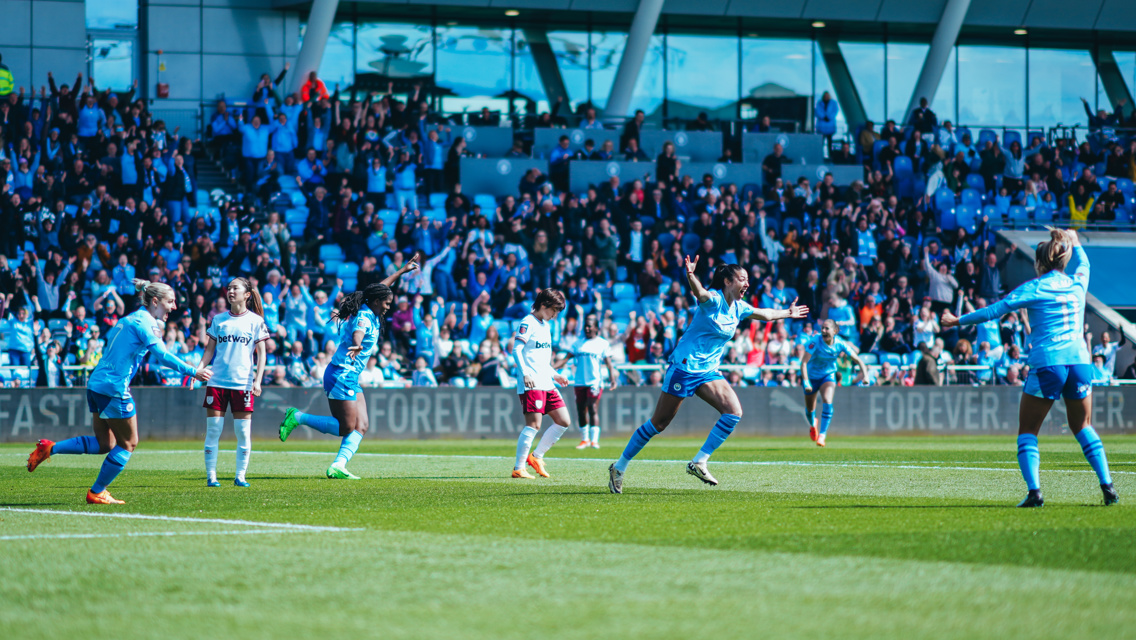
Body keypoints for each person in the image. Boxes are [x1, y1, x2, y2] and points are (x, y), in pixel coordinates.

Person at [942, 229, 1117, 508]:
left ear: (1039, 264)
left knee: (1028, 430)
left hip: (1049, 362)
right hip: (1081, 362)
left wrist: (956, 320)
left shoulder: (1034, 287)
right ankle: (1107, 485)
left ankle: (1035, 492)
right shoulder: (1076, 283)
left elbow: (993, 311)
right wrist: (1076, 242)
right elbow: (1085, 264)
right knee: (1082, 425)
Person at [608, 260, 808, 494]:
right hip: (685, 366)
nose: (747, 283)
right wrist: (691, 275)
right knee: (659, 423)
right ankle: (619, 467)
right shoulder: (714, 299)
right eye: (742, 279)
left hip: (707, 371)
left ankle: (699, 461)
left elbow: (765, 313)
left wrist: (788, 313)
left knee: (734, 412)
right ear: (727, 281)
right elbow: (700, 293)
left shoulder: (739, 307)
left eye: (746, 279)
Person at [26, 280, 212, 504]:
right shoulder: (147, 323)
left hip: (96, 384)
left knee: (104, 444)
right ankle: (96, 491)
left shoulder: (129, 319)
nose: (174, 307)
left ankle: (50, 448)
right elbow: (162, 356)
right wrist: (193, 371)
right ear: (155, 301)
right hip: (114, 388)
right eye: (170, 302)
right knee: (129, 443)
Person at [277, 254, 420, 479]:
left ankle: (338, 466)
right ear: (375, 302)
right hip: (341, 375)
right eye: (386, 303)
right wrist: (357, 345)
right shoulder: (365, 315)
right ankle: (297, 417)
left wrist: (402, 271)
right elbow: (358, 332)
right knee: (346, 428)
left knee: (361, 424)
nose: (388, 307)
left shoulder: (370, 305)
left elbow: (381, 288)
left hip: (349, 375)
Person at [198, 277, 269, 488]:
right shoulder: (218, 320)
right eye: (228, 288)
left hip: (243, 384)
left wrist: (258, 381)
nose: (230, 291)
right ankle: (211, 477)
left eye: (235, 288)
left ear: (247, 294)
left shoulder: (256, 321)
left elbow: (262, 354)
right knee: (213, 430)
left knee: (243, 432)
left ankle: (240, 476)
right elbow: (209, 350)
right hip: (217, 382)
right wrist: (198, 370)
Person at [511, 289, 573, 479]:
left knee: (563, 421)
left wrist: (556, 375)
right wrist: (525, 374)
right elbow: (516, 350)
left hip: (546, 381)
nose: (555, 315)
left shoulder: (545, 326)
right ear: (544, 305)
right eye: (554, 310)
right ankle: (519, 467)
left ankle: (536, 457)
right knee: (534, 425)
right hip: (532, 383)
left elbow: (541, 361)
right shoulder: (527, 323)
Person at [800, 319, 869, 447]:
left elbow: (858, 360)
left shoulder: (840, 344)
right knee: (810, 410)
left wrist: (865, 376)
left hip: (828, 375)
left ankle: (822, 435)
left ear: (835, 331)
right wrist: (806, 382)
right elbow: (803, 363)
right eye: (823, 328)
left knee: (828, 400)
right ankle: (812, 423)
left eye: (827, 329)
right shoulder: (815, 341)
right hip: (811, 377)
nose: (824, 331)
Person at [554, 317, 618, 450]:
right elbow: (566, 359)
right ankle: (585, 440)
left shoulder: (602, 343)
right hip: (580, 381)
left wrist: (613, 379)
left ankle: (594, 440)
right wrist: (551, 368)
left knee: (593, 407)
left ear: (596, 328)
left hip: (595, 381)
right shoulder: (578, 343)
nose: (587, 329)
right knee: (581, 409)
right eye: (586, 327)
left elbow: (609, 364)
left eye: (590, 326)